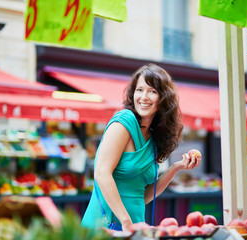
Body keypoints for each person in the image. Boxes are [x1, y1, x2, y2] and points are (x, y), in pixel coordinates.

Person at [81, 63, 201, 231]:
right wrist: (125, 220)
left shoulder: (153, 138)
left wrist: (176, 168)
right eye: (140, 90)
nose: (144, 97)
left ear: (163, 98)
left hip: (135, 225)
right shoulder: (124, 121)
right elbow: (101, 172)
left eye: (152, 91)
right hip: (106, 226)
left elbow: (143, 196)